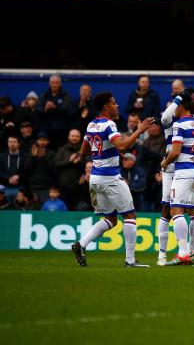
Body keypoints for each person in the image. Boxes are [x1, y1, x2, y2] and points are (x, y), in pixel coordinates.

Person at [70, 91, 155, 268]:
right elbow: (123, 144)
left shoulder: (92, 125)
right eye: (114, 103)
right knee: (130, 216)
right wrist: (139, 130)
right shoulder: (110, 124)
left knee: (111, 219)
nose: (117, 106)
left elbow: (84, 151)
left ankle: (81, 244)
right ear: (106, 107)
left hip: (94, 178)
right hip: (110, 177)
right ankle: (130, 261)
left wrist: (107, 150)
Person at [160, 90, 194, 267]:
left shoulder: (179, 125)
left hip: (183, 172)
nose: (173, 110)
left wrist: (165, 163)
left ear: (181, 107)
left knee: (176, 211)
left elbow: (175, 152)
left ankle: (183, 253)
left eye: (176, 107)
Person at [39, 74, 73, 149]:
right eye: (53, 83)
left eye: (56, 83)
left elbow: (67, 110)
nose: (54, 85)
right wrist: (45, 108)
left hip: (61, 132)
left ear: (60, 84)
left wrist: (55, 107)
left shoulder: (65, 96)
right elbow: (38, 110)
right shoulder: (44, 95)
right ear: (49, 84)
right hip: (47, 132)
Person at [54, 129, 84, 210]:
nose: (74, 138)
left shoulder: (83, 150)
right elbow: (56, 164)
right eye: (73, 136)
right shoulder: (62, 150)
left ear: (80, 138)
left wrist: (80, 162)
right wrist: (70, 161)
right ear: (68, 137)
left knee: (76, 209)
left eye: (77, 136)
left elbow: (87, 166)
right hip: (63, 186)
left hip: (78, 187)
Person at [24, 132, 55, 204]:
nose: (42, 142)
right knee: (33, 210)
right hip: (32, 188)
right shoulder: (31, 153)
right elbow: (26, 169)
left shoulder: (51, 153)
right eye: (40, 140)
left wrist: (44, 157)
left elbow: (52, 169)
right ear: (37, 141)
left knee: (45, 210)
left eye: (44, 140)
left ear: (48, 142)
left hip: (46, 187)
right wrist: (32, 157)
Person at [0, 136, 26, 202]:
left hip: (21, 187)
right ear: (7, 143)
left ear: (18, 143)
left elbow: (27, 171)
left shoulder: (24, 156)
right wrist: (8, 178)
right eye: (10, 142)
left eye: (14, 142)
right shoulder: (2, 156)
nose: (12, 144)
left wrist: (18, 176)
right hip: (6, 187)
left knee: (19, 206)